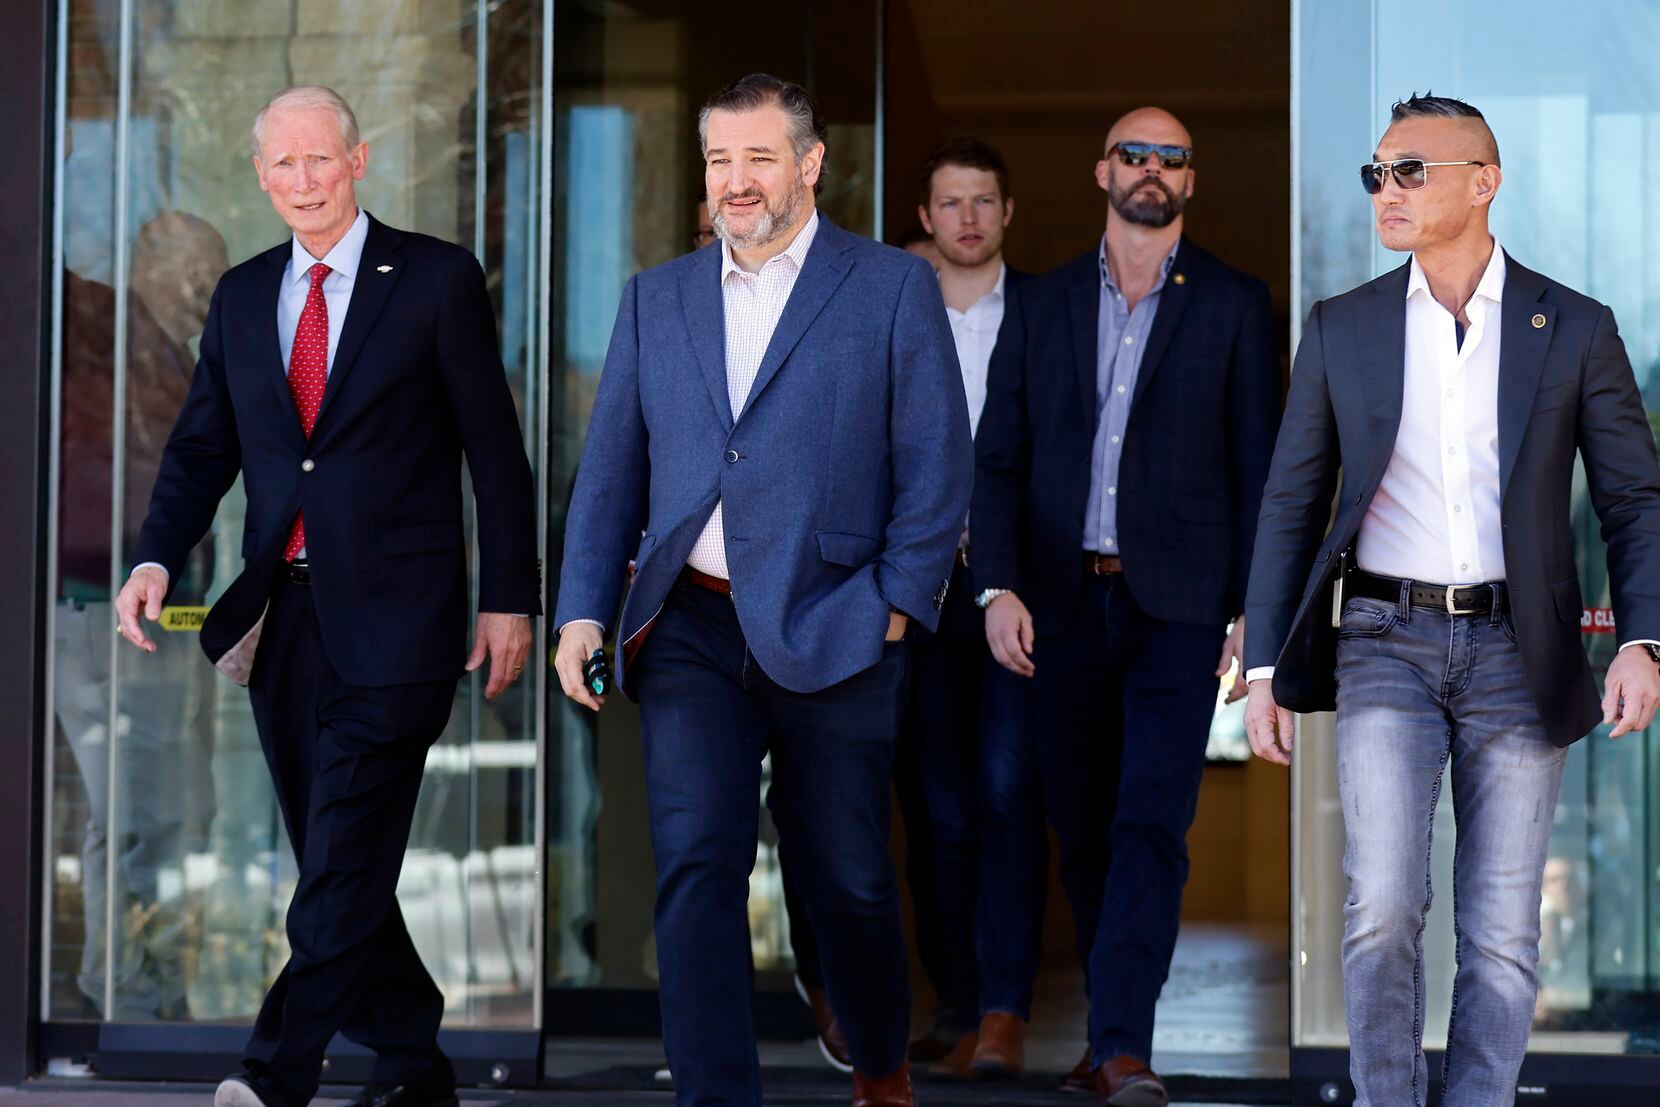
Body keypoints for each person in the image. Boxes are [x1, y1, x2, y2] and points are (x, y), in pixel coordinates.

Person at [114, 85, 540, 1107]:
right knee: (336, 856)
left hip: (402, 620)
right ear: (261, 177)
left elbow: (496, 454)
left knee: (343, 854)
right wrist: (156, 557)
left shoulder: (434, 280)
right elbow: (202, 448)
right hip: (282, 618)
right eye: (282, 166)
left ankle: (274, 1074)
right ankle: (411, 1064)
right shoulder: (243, 294)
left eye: (320, 160)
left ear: (356, 162)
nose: (302, 182)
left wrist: (510, 598)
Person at [554, 73, 972, 1107]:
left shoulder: (887, 288)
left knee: (849, 881)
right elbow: (611, 467)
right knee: (697, 866)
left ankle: (880, 1066)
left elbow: (936, 462)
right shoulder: (658, 297)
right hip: (692, 622)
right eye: (718, 160)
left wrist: (896, 600)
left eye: (757, 158)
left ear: (809, 164)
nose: (735, 182)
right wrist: (579, 608)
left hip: (838, 620)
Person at [1243, 93, 1660, 1107]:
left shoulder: (1574, 328)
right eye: (1375, 174)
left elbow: (1633, 500)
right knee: (1382, 905)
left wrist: (1644, 638)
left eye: (1409, 171)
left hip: (1522, 647)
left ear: (1484, 181)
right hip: (1382, 637)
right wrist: (1262, 665)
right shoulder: (1342, 328)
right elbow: (1291, 500)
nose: (1385, 191)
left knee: (1504, 932)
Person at [972, 106, 1281, 1106]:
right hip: (1059, 605)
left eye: (1172, 158)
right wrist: (997, 586)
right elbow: (999, 456)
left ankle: (1118, 1046)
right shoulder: (1045, 300)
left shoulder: (1235, 303)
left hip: (1180, 609)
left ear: (1190, 180)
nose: (1152, 170)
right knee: (1086, 828)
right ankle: (1109, 1033)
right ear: (1102, 168)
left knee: (1151, 818)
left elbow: (1261, 471)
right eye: (1135, 154)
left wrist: (1253, 612)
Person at [55, 210, 229, 1022]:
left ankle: (144, 989)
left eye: (217, 274)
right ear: (152, 266)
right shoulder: (112, 351)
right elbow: (103, 484)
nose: (208, 291)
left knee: (160, 811)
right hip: (102, 608)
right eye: (199, 271)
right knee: (132, 811)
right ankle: (124, 997)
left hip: (163, 614)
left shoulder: (166, 356)